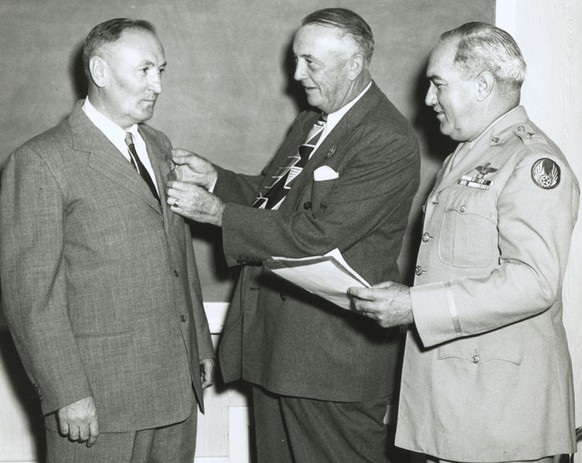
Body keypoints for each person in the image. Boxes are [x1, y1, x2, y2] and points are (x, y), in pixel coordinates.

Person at [165, 7, 420, 462]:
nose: (297, 74)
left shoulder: (387, 138)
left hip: (330, 365)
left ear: (355, 64)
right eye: (296, 59)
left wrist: (219, 213)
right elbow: (272, 198)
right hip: (277, 351)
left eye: (311, 63)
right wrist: (216, 181)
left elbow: (316, 236)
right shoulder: (312, 120)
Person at [349, 22, 579, 463]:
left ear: (482, 85)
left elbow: (534, 282)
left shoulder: (532, 162)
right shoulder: (467, 156)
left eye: (438, 85)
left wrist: (415, 306)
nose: (428, 100)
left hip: (500, 418)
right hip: (453, 410)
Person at [0, 18, 214, 463]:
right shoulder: (40, 160)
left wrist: (200, 347)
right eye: (145, 70)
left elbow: (179, 255)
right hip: (99, 402)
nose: (157, 84)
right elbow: (30, 294)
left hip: (175, 388)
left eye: (161, 70)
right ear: (99, 72)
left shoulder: (158, 145)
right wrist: (66, 393)